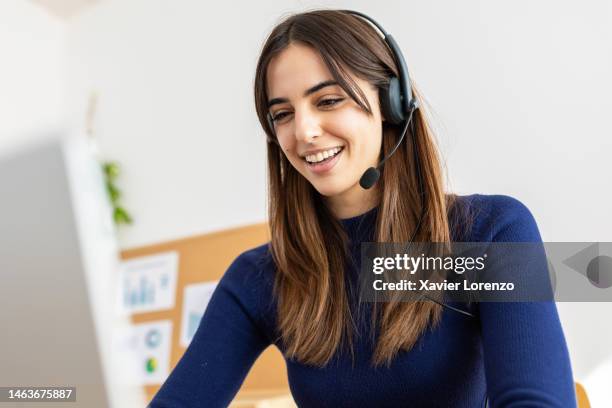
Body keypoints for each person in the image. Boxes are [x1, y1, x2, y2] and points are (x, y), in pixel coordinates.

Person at [149, 9, 576, 407]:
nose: (305, 131)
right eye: (282, 113)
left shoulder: (489, 233)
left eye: (328, 100)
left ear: (391, 104)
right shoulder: (260, 278)